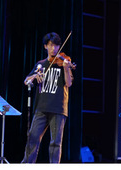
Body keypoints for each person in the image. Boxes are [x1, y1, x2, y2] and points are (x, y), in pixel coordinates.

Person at [21, 32, 73, 163]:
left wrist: (67, 68)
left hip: (58, 108)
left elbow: (68, 83)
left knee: (55, 143)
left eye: (56, 45)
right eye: (51, 45)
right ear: (45, 46)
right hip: (41, 107)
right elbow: (26, 80)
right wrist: (35, 76)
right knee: (32, 138)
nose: (54, 48)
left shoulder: (63, 63)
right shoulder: (41, 64)